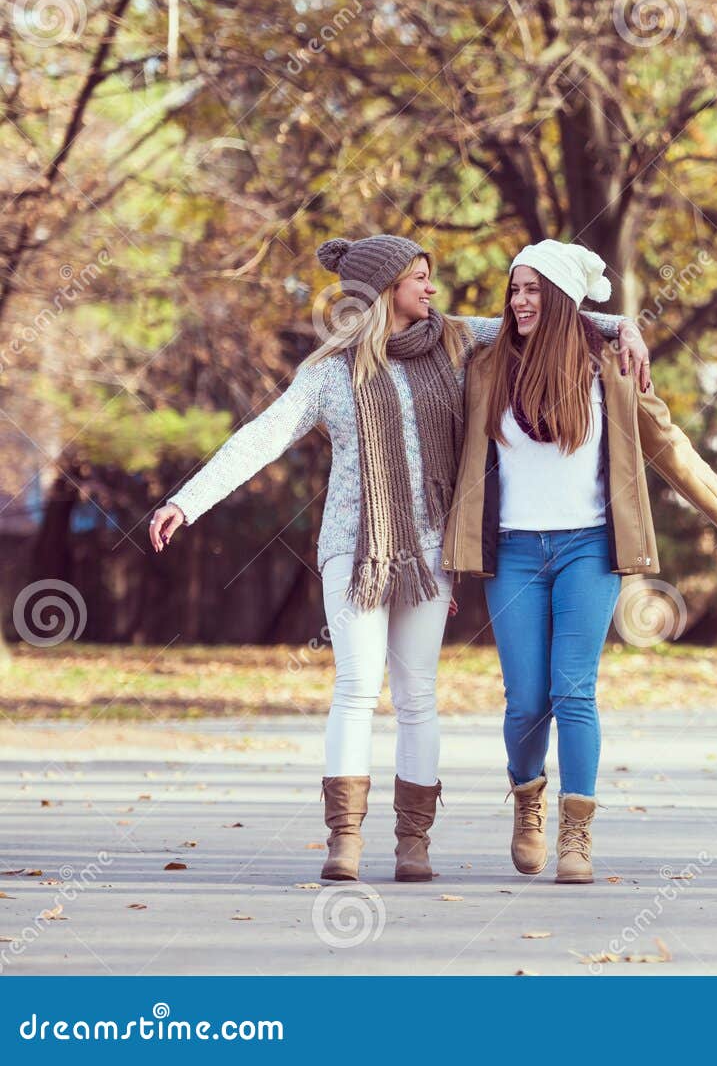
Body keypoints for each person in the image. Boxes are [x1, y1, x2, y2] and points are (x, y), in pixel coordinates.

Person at [148, 233, 649, 883]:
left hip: (430, 552)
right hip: (354, 550)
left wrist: (624, 325)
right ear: (386, 289)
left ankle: (414, 843)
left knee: (419, 696)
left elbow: (550, 310)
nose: (432, 289)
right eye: (419, 277)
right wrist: (188, 501)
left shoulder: (451, 341)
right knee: (356, 687)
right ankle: (345, 839)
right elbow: (263, 435)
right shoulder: (332, 371)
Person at [443, 240, 717, 883]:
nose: (520, 300)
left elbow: (668, 446)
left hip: (588, 547)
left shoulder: (609, 371)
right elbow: (437, 324)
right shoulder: (486, 364)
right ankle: (527, 801)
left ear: (561, 299)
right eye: (516, 289)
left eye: (534, 290)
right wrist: (623, 320)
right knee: (525, 701)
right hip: (511, 549)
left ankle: (577, 834)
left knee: (573, 690)